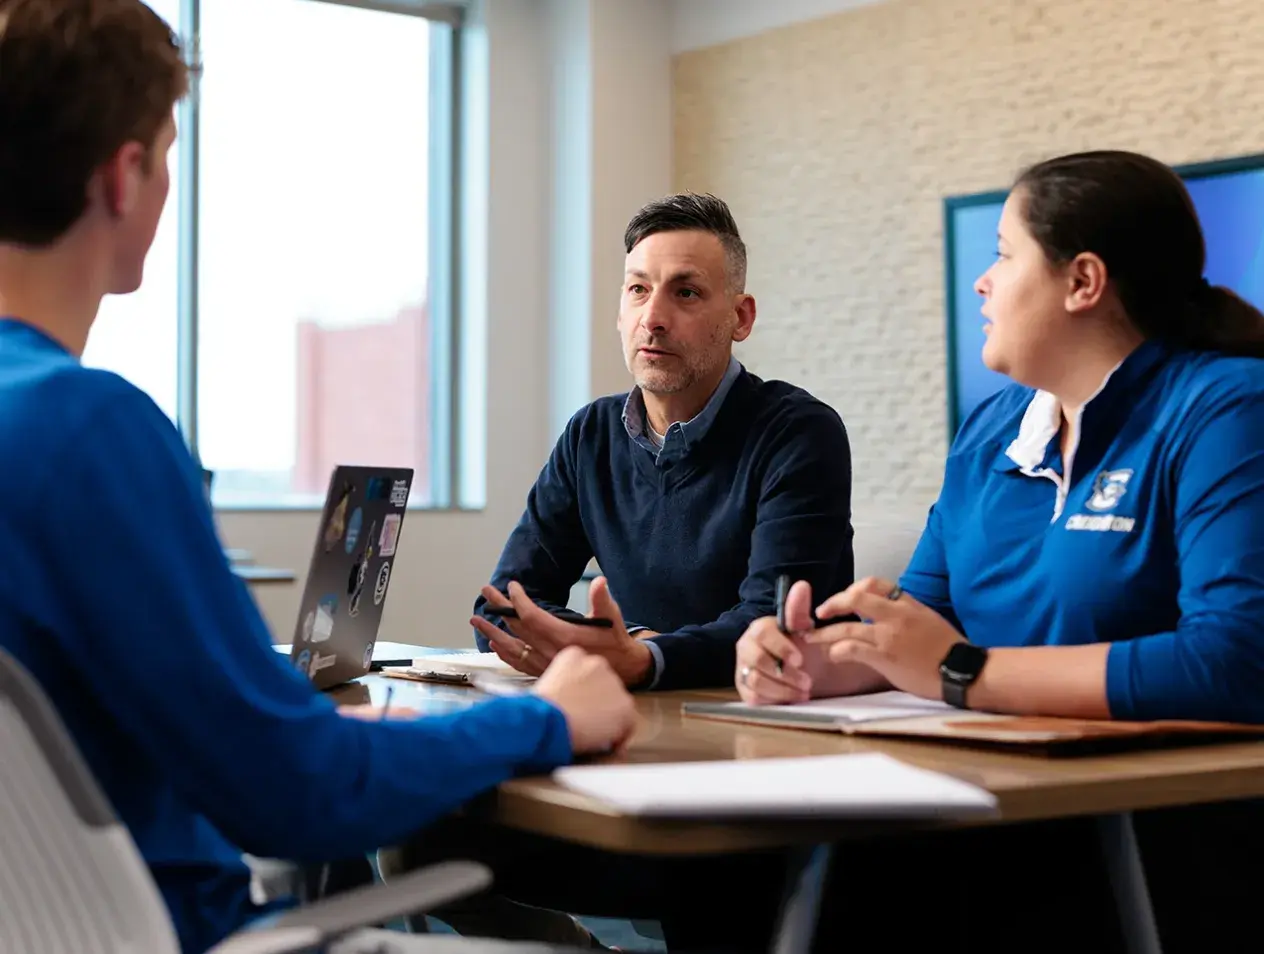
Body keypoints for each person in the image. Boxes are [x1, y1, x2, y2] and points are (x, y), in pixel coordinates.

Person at [0, 3, 636, 953]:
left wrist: (255, 685)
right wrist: (544, 722)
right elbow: (294, 794)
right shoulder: (86, 428)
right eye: (168, 152)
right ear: (125, 175)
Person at [736, 149, 1264, 952]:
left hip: (1156, 833)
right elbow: (924, 619)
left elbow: (1236, 662)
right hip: (990, 796)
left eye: (1003, 254)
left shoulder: (1226, 407)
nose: (983, 283)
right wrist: (812, 662)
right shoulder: (990, 434)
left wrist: (966, 674)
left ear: (1082, 281)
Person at [471, 192, 855, 692]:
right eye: (638, 290)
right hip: (631, 714)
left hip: (764, 722)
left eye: (686, 293)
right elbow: (503, 602)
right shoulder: (590, 434)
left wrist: (642, 656)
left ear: (741, 318)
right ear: (619, 312)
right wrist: (626, 646)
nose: (652, 317)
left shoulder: (799, 432)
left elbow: (773, 624)